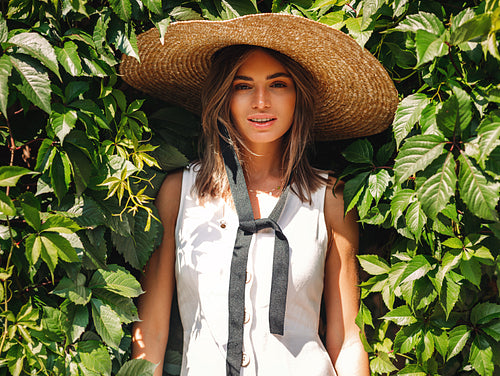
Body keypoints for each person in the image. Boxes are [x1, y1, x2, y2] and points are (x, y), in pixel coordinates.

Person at [120, 13, 398, 376]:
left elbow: (346, 339)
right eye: (243, 85)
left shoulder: (328, 198)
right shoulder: (179, 194)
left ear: (299, 95)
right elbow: (151, 335)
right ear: (224, 96)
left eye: (278, 84)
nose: (261, 102)